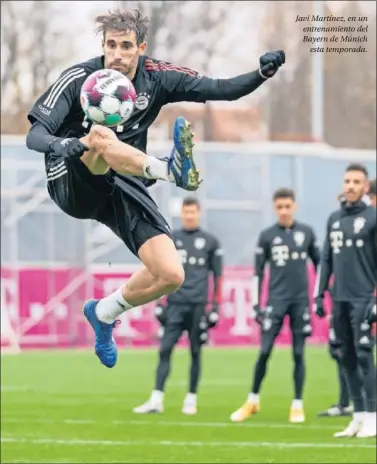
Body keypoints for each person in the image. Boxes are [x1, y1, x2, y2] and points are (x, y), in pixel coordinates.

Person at [25, 8, 285, 369]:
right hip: (71, 176)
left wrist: (261, 74)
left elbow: (221, 89)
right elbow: (35, 134)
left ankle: (102, 312)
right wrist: (61, 145)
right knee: (101, 135)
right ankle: (168, 169)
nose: (116, 53)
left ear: (140, 48)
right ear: (102, 46)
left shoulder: (158, 77)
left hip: (123, 180)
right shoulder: (79, 78)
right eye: (110, 45)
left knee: (170, 274)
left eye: (126, 46)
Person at [230, 188, 320, 424]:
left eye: (287, 206)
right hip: (275, 302)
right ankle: (252, 400)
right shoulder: (267, 235)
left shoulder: (307, 233)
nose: (284, 211)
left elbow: (320, 267)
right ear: (274, 208)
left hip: (300, 302)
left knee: (299, 353)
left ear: (294, 206)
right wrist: (255, 304)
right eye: (279, 207)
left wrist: (319, 296)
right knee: (265, 351)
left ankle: (297, 404)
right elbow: (258, 273)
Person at [133, 197, 223, 415]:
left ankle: (191, 399)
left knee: (195, 352)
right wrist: (157, 302)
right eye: (186, 212)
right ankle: (156, 399)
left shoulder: (210, 242)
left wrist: (215, 308)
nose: (189, 216)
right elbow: (157, 270)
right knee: (164, 350)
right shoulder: (170, 239)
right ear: (181, 213)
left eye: (193, 212)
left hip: (198, 305)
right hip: (175, 303)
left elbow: (218, 277)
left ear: (199, 213)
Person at [314, 163, 376, 438]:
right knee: (345, 356)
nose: (351, 186)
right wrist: (318, 294)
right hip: (339, 299)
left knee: (364, 355)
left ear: (365, 187)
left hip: (364, 298)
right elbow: (326, 258)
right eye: (347, 181)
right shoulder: (334, 219)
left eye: (356, 182)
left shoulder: (373, 218)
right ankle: (358, 417)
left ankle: (374, 417)